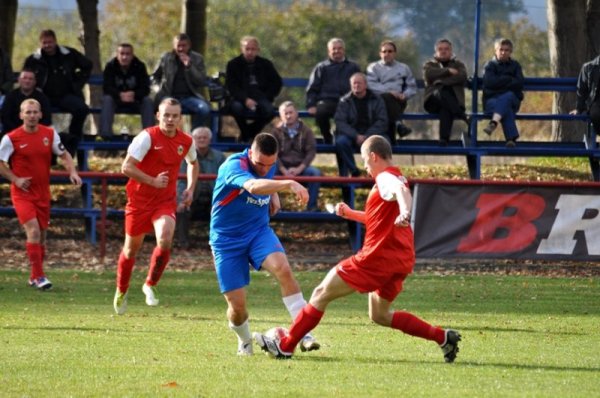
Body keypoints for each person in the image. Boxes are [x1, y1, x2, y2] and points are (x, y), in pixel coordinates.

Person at [254, 135, 462, 362]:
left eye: (364, 161)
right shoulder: (395, 175)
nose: (365, 168)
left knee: (320, 294)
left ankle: (285, 345)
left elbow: (402, 191)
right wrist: (351, 214)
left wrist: (405, 211)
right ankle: (443, 337)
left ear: (373, 156)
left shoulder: (386, 178)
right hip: (400, 260)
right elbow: (379, 218)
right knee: (380, 315)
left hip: (376, 258)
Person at [209, 132, 319, 356]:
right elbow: (253, 185)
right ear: (250, 153)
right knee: (237, 308)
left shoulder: (267, 163)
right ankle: (245, 340)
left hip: (258, 232)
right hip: (226, 240)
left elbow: (265, 180)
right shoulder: (233, 166)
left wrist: (273, 193)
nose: (264, 168)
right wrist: (286, 185)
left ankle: (303, 333)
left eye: (269, 164)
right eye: (259, 163)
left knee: (284, 270)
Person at [113, 97, 199, 315]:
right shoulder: (147, 137)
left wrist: (190, 188)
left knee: (165, 237)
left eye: (175, 116)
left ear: (181, 118)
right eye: (166, 115)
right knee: (131, 249)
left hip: (164, 201)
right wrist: (151, 180)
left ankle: (150, 284)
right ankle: (121, 289)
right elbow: (126, 167)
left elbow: (193, 163)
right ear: (158, 115)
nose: (170, 119)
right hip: (139, 201)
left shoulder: (186, 141)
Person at [0, 99, 81, 290]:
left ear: (41, 114)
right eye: (28, 112)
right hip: (22, 193)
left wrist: (72, 171)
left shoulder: (49, 134)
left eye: (35, 112)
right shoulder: (11, 138)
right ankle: (39, 276)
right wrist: (15, 179)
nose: (32, 115)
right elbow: (1, 164)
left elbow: (64, 155)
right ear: (21, 115)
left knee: (42, 237)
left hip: (42, 192)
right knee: (34, 231)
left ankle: (33, 276)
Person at [23, 29, 92, 157]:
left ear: (55, 41)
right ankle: (46, 149)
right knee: (36, 113)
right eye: (44, 43)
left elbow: (87, 65)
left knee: (82, 109)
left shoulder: (69, 54)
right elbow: (26, 76)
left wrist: (77, 83)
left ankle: (72, 142)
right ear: (40, 44)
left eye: (50, 42)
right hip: (43, 96)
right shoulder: (34, 59)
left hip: (66, 95)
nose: (47, 45)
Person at [174, 126, 226, 249]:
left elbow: (225, 180)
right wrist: (181, 201)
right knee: (182, 208)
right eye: (198, 137)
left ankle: (216, 243)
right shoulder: (185, 156)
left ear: (210, 139)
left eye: (205, 137)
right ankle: (182, 243)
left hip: (213, 195)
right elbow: (181, 181)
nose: (201, 140)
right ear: (193, 139)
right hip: (193, 194)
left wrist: (222, 200)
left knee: (222, 210)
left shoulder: (220, 157)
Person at [225, 36, 282, 143]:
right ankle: (247, 136)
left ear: (258, 50)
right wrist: (245, 99)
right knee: (236, 108)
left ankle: (248, 133)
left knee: (270, 111)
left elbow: (276, 83)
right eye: (247, 49)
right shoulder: (233, 64)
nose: (250, 52)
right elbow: (231, 86)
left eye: (253, 49)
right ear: (242, 49)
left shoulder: (266, 64)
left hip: (261, 96)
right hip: (240, 98)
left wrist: (267, 96)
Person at [306, 38, 361, 144]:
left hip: (349, 102)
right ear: (329, 51)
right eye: (334, 49)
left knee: (343, 138)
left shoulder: (353, 67)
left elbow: (361, 84)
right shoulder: (321, 67)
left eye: (339, 48)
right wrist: (311, 104)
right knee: (320, 110)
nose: (337, 51)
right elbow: (312, 88)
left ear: (344, 50)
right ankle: (327, 137)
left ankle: (342, 142)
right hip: (328, 101)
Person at [151, 33, 210, 130]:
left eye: (184, 46)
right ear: (174, 46)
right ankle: (164, 135)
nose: (181, 49)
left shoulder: (197, 58)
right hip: (168, 95)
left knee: (204, 109)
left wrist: (190, 66)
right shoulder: (166, 58)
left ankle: (194, 137)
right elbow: (154, 78)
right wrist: (158, 90)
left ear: (189, 46)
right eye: (178, 46)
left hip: (190, 97)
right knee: (165, 109)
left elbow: (201, 80)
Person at [271, 101, 321, 212]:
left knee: (315, 173)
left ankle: (311, 206)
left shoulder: (306, 131)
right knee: (269, 173)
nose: (288, 116)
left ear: (296, 113)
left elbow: (311, 152)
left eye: (291, 112)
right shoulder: (275, 132)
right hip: (281, 168)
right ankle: (273, 207)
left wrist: (299, 169)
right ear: (281, 115)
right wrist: (283, 170)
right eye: (285, 113)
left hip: (301, 167)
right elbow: (273, 153)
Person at [334, 72, 387, 178]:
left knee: (385, 143)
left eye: (359, 83)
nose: (356, 86)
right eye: (354, 83)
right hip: (351, 135)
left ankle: (377, 174)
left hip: (371, 134)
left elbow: (382, 121)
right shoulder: (344, 101)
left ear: (365, 85)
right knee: (340, 142)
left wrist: (367, 136)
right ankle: (354, 171)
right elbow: (340, 122)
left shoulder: (377, 100)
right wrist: (355, 136)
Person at [366, 40, 416, 143]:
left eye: (390, 51)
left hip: (399, 101)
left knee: (388, 102)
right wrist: (390, 92)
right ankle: (397, 126)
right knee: (385, 98)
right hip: (378, 101)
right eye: (384, 51)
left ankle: (391, 136)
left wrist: (405, 95)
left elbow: (412, 87)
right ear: (380, 53)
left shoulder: (403, 68)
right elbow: (371, 85)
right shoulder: (373, 67)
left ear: (395, 53)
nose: (387, 54)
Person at [100, 43, 154, 140]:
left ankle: (149, 136)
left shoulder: (140, 66)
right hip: (116, 100)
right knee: (107, 100)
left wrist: (134, 94)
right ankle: (105, 136)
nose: (124, 57)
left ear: (132, 55)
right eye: (122, 53)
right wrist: (119, 95)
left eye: (128, 54)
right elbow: (107, 87)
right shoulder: (110, 66)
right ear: (117, 54)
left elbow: (145, 88)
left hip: (135, 100)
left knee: (147, 101)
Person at [423, 39, 469, 146]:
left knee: (445, 106)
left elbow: (462, 77)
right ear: (436, 51)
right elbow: (429, 75)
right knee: (442, 91)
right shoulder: (430, 64)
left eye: (446, 49)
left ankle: (443, 140)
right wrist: (447, 71)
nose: (443, 51)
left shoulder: (458, 64)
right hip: (433, 102)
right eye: (440, 49)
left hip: (452, 102)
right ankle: (461, 115)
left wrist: (442, 81)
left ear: (451, 51)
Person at [481, 38, 524, 148]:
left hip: (512, 100)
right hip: (491, 101)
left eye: (507, 50)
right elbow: (490, 82)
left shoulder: (515, 65)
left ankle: (493, 123)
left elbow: (519, 83)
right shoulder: (489, 65)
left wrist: (500, 82)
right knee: (506, 106)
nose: (504, 52)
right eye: (501, 49)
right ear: (495, 51)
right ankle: (511, 139)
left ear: (510, 52)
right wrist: (509, 79)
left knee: (508, 97)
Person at [2, 68, 52, 135]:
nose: (27, 81)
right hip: (14, 133)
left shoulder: (42, 98)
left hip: (36, 133)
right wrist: (19, 132)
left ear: (35, 82)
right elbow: (5, 117)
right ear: (19, 80)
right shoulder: (10, 97)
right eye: (24, 78)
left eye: (30, 79)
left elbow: (47, 119)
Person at [570, 54, 600, 136]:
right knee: (596, 112)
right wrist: (579, 109)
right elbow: (581, 90)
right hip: (595, 105)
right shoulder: (588, 67)